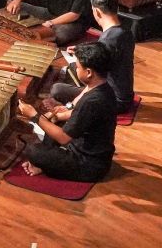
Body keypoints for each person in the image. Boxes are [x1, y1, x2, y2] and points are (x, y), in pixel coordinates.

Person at [17, 42, 116, 182]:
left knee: (32, 150)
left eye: (78, 67)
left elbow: (64, 138)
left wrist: (34, 115)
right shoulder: (103, 87)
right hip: (96, 155)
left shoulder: (92, 102)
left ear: (89, 72)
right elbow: (85, 92)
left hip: (88, 166)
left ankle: (43, 164)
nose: (75, 69)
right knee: (54, 121)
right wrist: (66, 108)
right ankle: (45, 162)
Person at [48, 0, 136, 114]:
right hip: (125, 94)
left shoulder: (107, 41)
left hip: (113, 101)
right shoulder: (125, 31)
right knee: (74, 67)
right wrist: (81, 50)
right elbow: (108, 51)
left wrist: (70, 106)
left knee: (57, 90)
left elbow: (95, 83)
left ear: (97, 12)